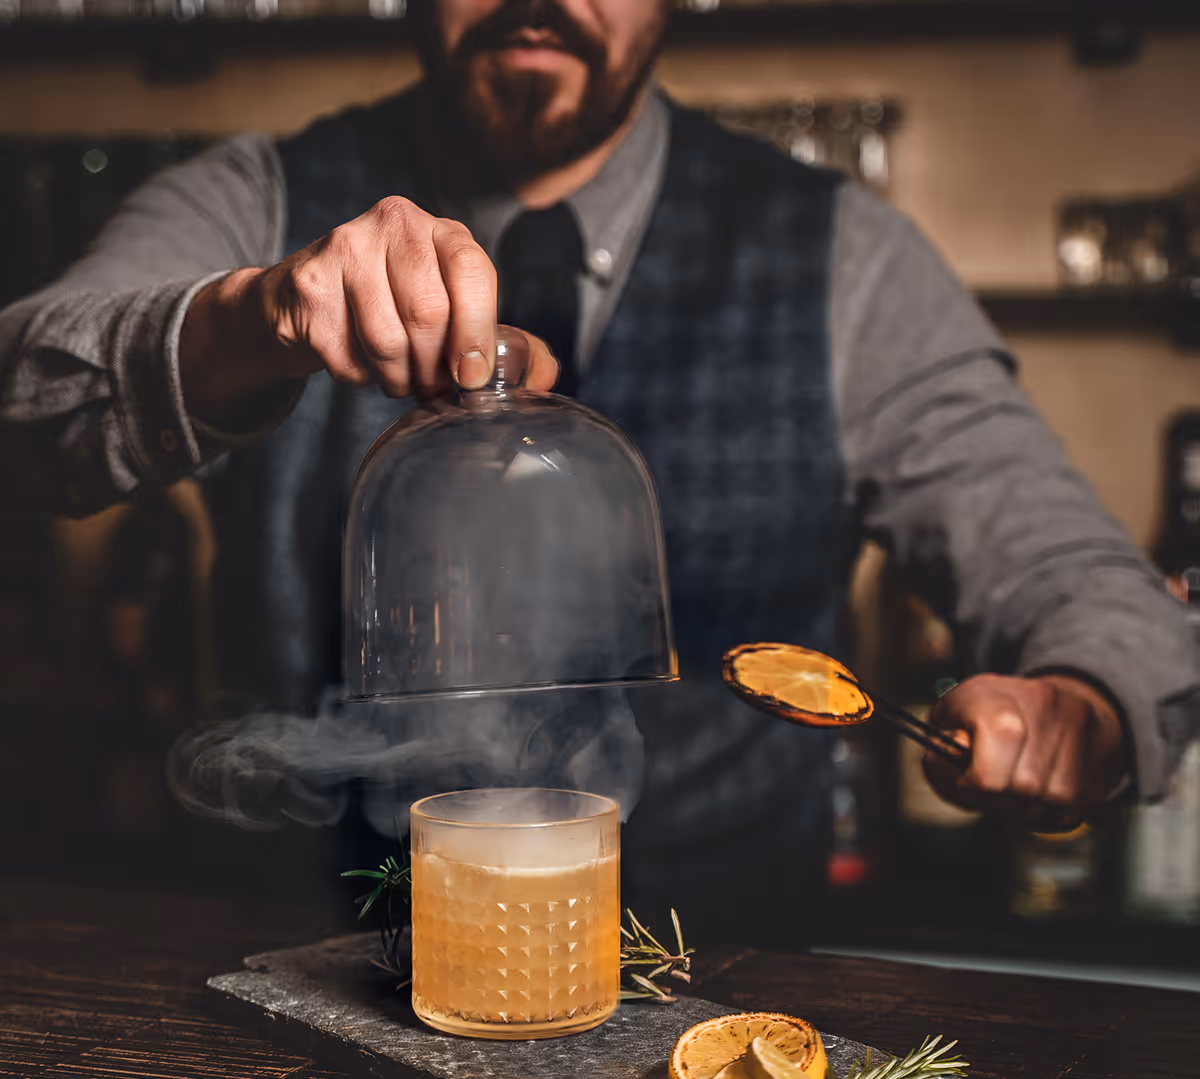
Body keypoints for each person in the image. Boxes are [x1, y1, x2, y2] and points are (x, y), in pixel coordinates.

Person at [2, 0, 1196, 939]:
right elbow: (28, 412)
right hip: (310, 994)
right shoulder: (253, 198)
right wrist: (250, 318)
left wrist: (1085, 698)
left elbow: (1069, 565)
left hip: (714, 995)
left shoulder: (848, 259)